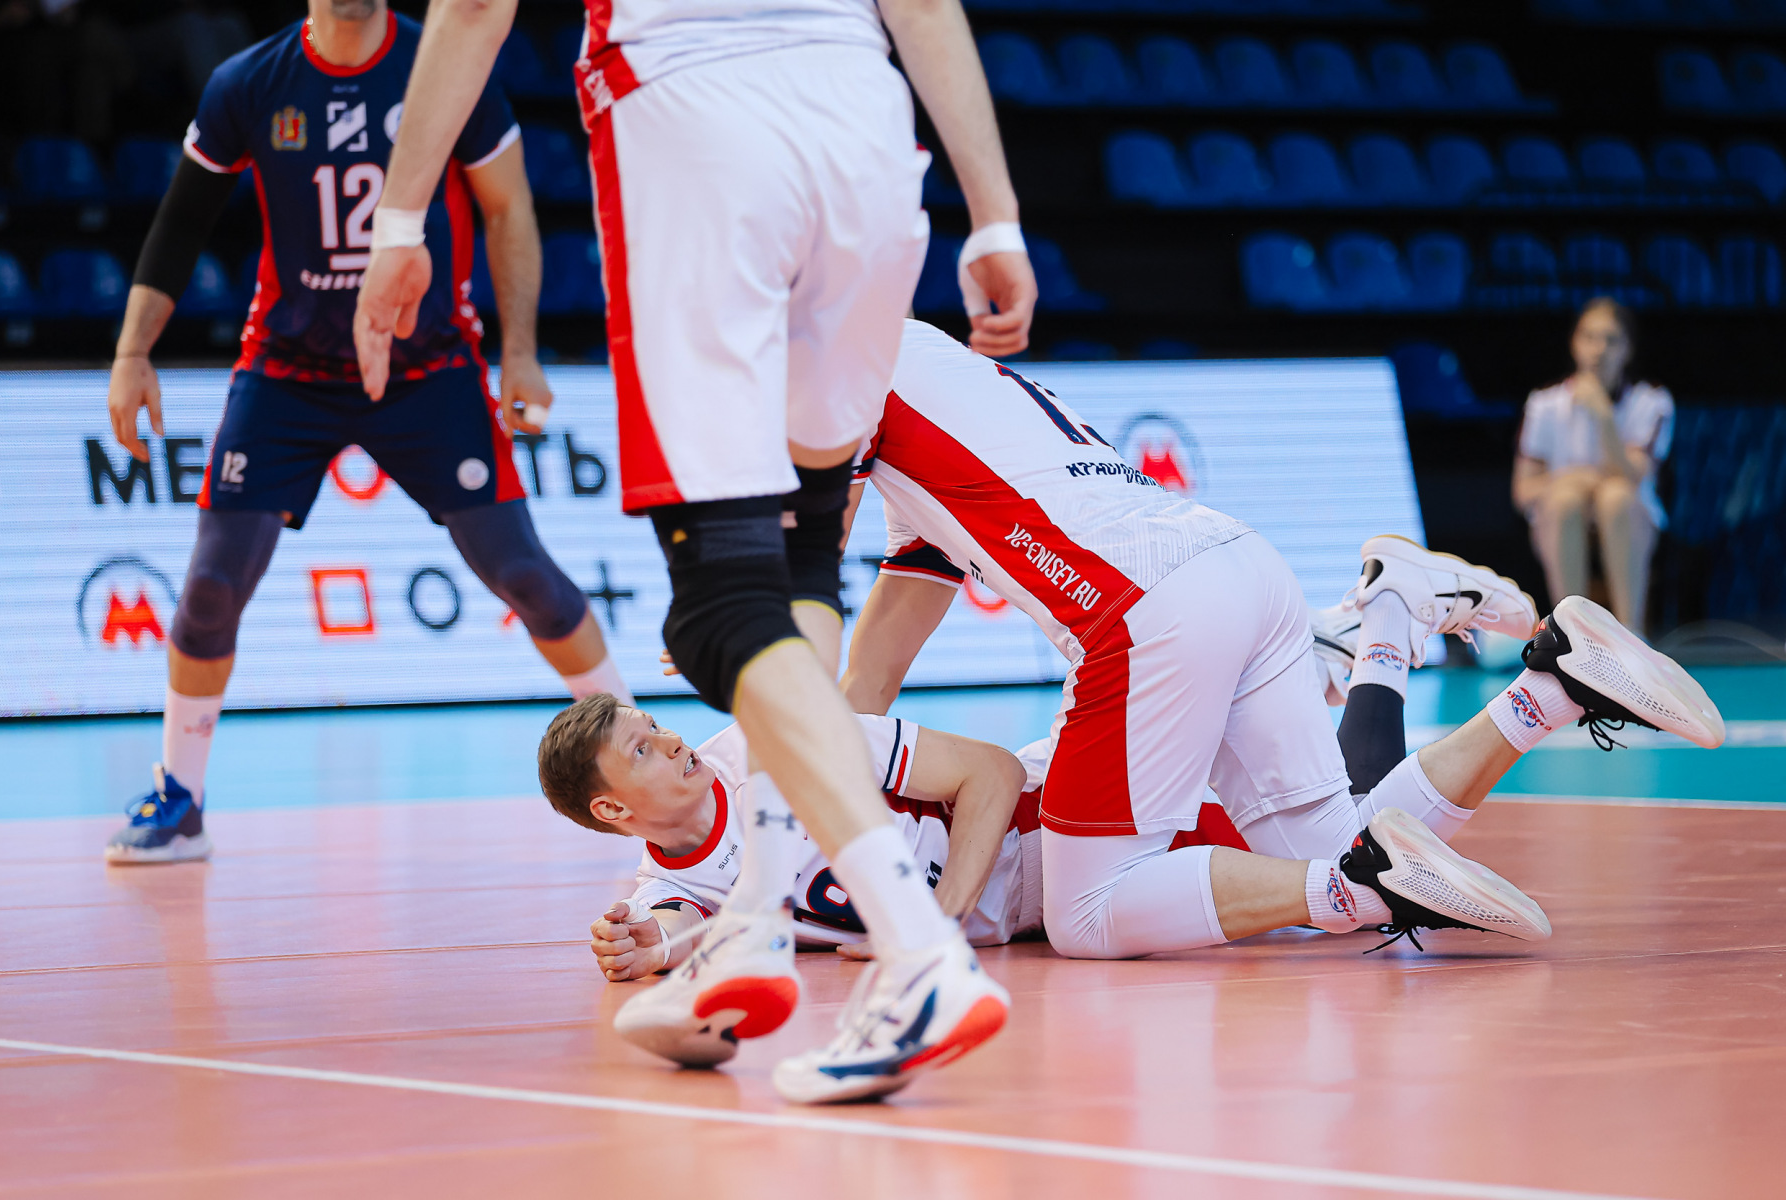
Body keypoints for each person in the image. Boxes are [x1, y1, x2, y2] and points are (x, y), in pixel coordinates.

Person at [354, 0, 1038, 1103]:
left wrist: (398, 225)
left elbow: (474, 10)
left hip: (697, 118)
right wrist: (995, 217)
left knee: (719, 608)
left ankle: (919, 955)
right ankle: (754, 917)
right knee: (803, 554)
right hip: (865, 133)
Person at [839, 320, 1726, 961]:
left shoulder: (839, 369)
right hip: (1239, 563)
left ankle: (1354, 883)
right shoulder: (938, 376)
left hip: (1145, 616)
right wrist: (827, 751)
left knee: (1089, 913)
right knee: (1327, 842)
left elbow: (796, 578)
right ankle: (1550, 683)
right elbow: (878, 659)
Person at [101, 0, 629, 865]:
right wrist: (131, 352)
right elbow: (183, 219)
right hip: (290, 370)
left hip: (429, 367)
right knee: (210, 588)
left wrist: (520, 353)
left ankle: (636, 760)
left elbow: (507, 208)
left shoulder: (445, 61)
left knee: (524, 573)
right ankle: (181, 801)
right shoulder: (249, 83)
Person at [546, 696, 1556, 1082]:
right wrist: (640, 952)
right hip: (1046, 901)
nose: (669, 740)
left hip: (1059, 819)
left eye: (654, 724)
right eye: (642, 748)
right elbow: (671, 927)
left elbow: (986, 773)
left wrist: (937, 923)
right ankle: (1501, 682)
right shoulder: (674, 882)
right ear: (614, 809)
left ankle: (1468, 675)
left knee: (1345, 837)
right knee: (1351, 829)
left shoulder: (773, 742)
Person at [1513, 297, 1674, 635]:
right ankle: (1570, 634)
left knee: (1616, 496)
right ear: (1574, 344)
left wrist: (1603, 415)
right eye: (1589, 337)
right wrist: (1575, 479)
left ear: (1628, 349)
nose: (1599, 350)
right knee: (1564, 499)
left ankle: (1631, 633)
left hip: (1629, 518)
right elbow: (1523, 491)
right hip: (1561, 515)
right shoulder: (1544, 403)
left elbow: (1634, 476)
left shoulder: (1652, 401)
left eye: (1611, 340)